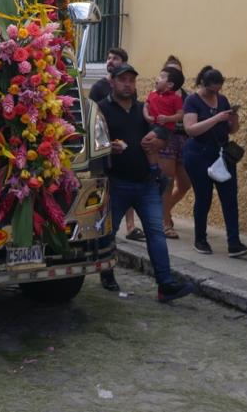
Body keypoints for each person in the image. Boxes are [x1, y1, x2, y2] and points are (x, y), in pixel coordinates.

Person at [97, 63, 194, 302]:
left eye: (132, 80)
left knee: (156, 234)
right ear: (112, 82)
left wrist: (159, 138)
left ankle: (165, 285)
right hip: (117, 183)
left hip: (147, 184)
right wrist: (110, 148)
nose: (128, 84)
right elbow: (94, 142)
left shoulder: (144, 108)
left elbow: (163, 129)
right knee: (108, 234)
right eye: (123, 80)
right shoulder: (100, 109)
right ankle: (106, 272)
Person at [181, 66, 247, 258]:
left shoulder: (222, 100)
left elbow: (231, 130)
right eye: (211, 90)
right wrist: (216, 118)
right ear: (203, 84)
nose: (215, 93)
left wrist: (233, 119)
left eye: (218, 89)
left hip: (221, 153)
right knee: (204, 198)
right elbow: (191, 130)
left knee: (230, 198)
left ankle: (234, 243)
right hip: (198, 154)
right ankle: (200, 239)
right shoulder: (192, 100)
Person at [89, 47, 144, 242]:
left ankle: (130, 226)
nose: (110, 61)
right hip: (106, 150)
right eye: (109, 57)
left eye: (116, 58)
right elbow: (93, 118)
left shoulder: (128, 89)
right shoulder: (98, 88)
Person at [145, 65, 187, 238]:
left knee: (184, 184)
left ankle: (164, 213)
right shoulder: (153, 94)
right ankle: (164, 221)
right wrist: (147, 116)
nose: (157, 78)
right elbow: (145, 106)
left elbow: (182, 114)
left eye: (162, 76)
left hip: (180, 139)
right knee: (166, 181)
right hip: (162, 137)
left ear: (171, 84)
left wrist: (168, 118)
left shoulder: (179, 97)